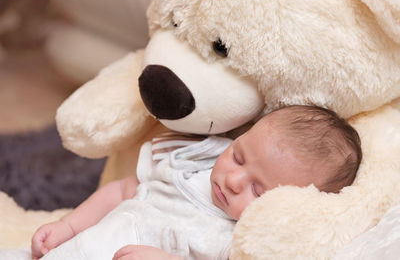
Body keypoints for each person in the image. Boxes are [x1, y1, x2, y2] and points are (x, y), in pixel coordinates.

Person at [31, 105, 362, 260]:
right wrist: (69, 226)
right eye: (238, 156)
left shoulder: (241, 239)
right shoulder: (191, 162)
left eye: (257, 190)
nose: (232, 180)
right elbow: (121, 191)